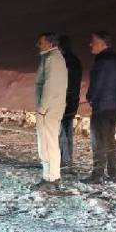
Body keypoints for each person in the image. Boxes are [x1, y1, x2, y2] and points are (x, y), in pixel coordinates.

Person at [82, 31, 116, 184]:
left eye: (93, 42)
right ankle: (114, 173)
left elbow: (97, 84)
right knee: (110, 138)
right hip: (115, 104)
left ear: (101, 43)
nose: (90, 44)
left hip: (103, 106)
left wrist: (91, 97)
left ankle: (97, 174)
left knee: (98, 140)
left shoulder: (102, 61)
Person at [31, 33, 68, 192]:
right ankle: (50, 176)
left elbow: (50, 85)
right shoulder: (53, 58)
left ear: (50, 43)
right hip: (52, 107)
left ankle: (51, 178)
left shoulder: (52, 59)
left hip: (48, 108)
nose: (38, 45)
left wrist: (42, 107)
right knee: (49, 142)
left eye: (41, 42)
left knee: (47, 143)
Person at [57, 35, 83, 176]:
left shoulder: (64, 62)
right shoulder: (76, 61)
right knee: (67, 131)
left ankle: (64, 162)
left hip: (65, 101)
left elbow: (64, 84)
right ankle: (67, 162)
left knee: (62, 132)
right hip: (72, 101)